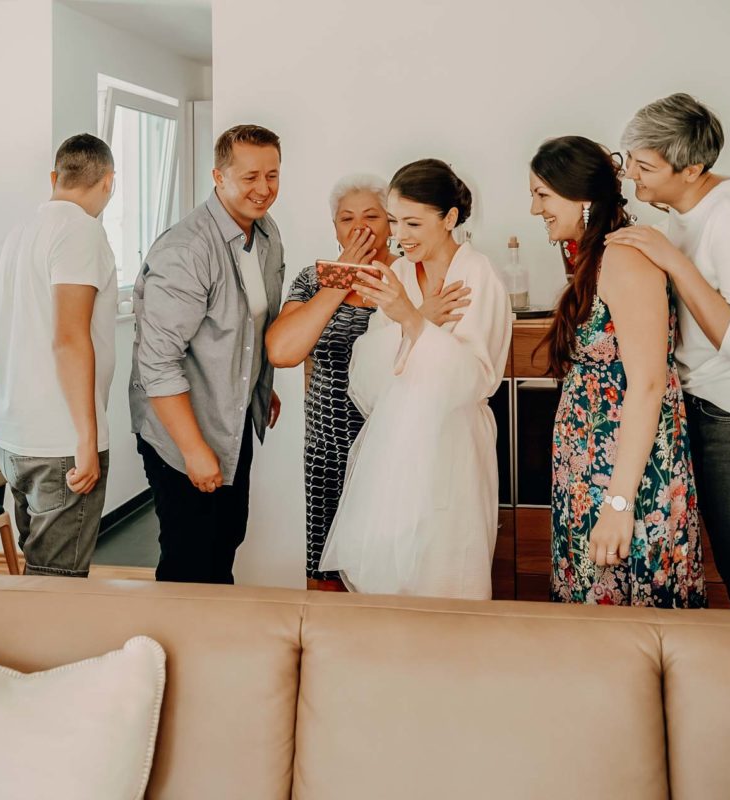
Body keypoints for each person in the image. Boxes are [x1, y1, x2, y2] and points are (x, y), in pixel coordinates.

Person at [607, 94, 730, 611]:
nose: (633, 175)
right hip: (713, 414)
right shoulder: (680, 211)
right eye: (630, 159)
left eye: (646, 166)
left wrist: (675, 262)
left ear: (693, 167)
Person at [266, 174, 470, 591]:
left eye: (373, 216)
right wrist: (340, 281)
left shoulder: (416, 276)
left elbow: (445, 357)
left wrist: (418, 316)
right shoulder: (313, 279)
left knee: (395, 571)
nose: (359, 228)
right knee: (326, 576)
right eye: (346, 219)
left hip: (399, 448)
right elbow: (283, 352)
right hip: (330, 451)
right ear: (335, 229)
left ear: (392, 223)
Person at [318, 159, 510, 599]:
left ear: (450, 218)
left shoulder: (478, 275)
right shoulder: (400, 274)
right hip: (395, 443)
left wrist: (410, 320)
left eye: (413, 223)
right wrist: (418, 320)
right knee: (393, 574)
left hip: (454, 444)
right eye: (394, 221)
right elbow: (365, 379)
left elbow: (475, 379)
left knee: (449, 566)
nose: (399, 236)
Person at [531, 136, 705, 607]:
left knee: (631, 621)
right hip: (589, 471)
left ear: (580, 197)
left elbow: (648, 386)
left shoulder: (623, 259)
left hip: (625, 475)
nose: (533, 209)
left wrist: (619, 504)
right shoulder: (592, 256)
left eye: (542, 195)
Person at [129, 124, 284, 584]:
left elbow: (252, 324)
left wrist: (259, 384)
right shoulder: (188, 250)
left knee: (225, 541)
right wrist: (194, 450)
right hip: (181, 430)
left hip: (230, 418)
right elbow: (157, 364)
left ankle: (218, 650)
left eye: (273, 175)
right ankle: (171, 653)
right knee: (189, 559)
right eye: (250, 176)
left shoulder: (267, 232)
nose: (264, 189)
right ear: (218, 177)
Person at [0, 133, 117, 577]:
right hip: (59, 440)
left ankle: (25, 646)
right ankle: (37, 649)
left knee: (40, 572)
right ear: (108, 183)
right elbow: (68, 338)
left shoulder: (17, 235)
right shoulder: (82, 232)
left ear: (54, 178)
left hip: (14, 435)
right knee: (55, 584)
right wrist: (87, 437)